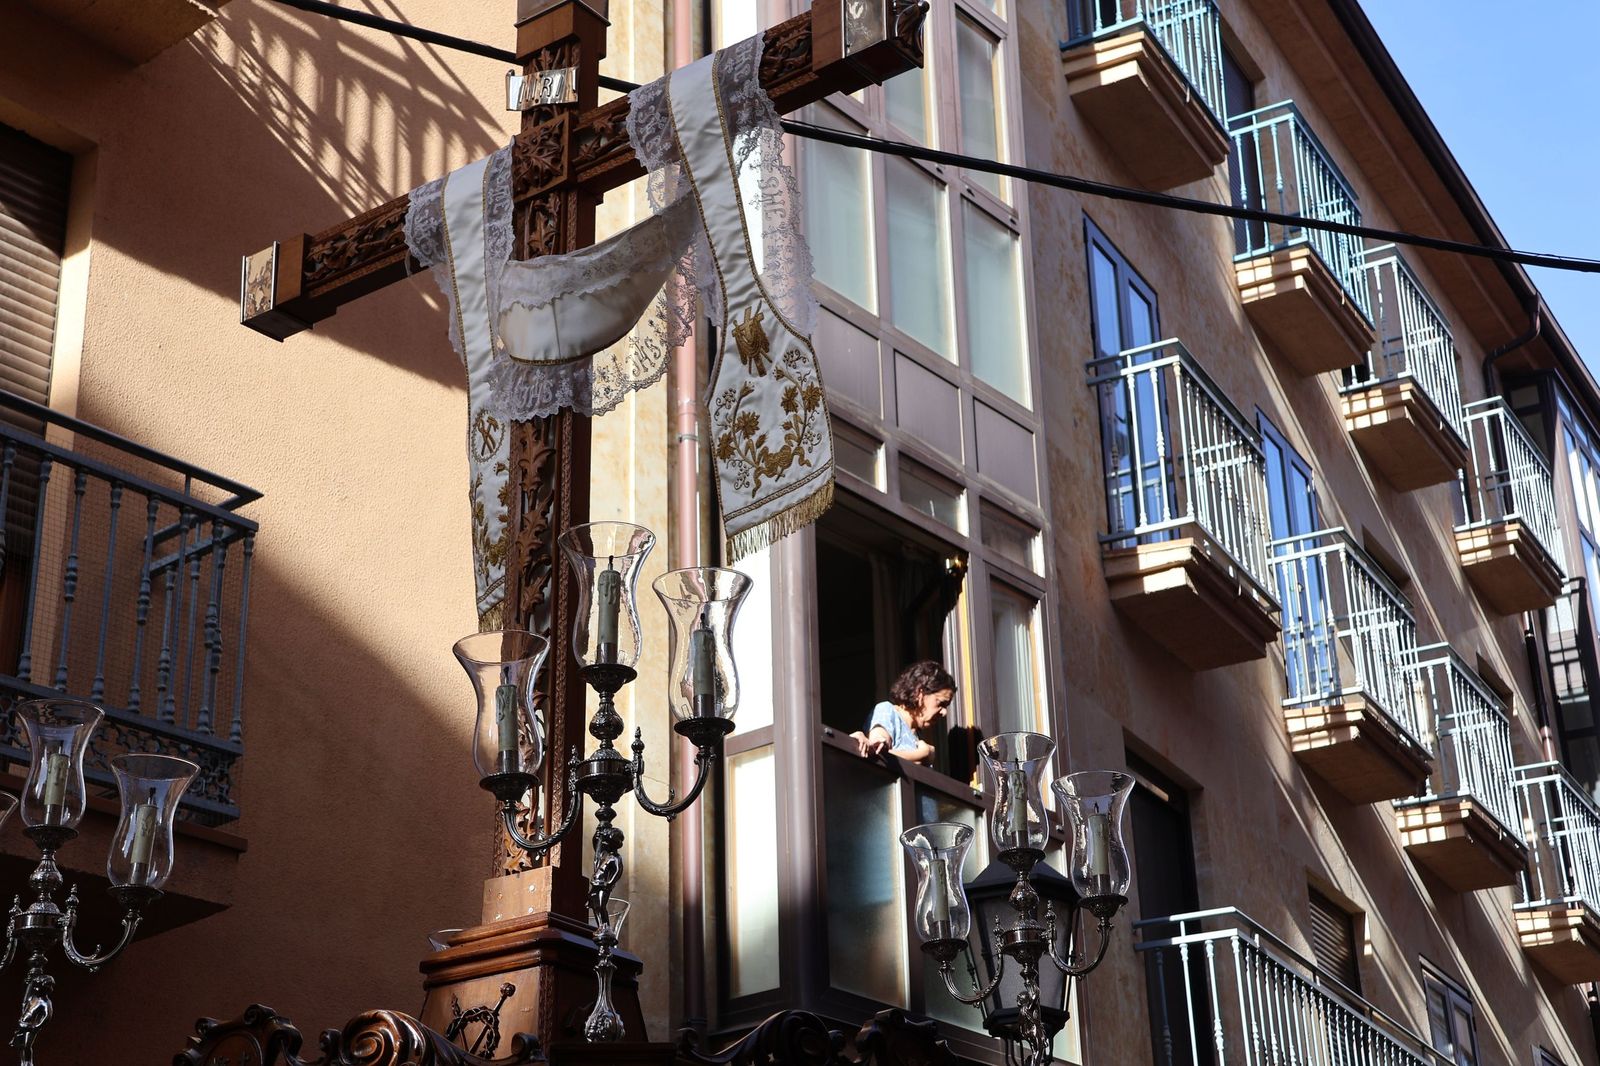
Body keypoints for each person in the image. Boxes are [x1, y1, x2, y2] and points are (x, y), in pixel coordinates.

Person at [850, 660, 956, 765]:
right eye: (941, 703)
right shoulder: (887, 711)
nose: (944, 712)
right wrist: (922, 755)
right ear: (920, 693)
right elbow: (877, 752)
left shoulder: (918, 737)